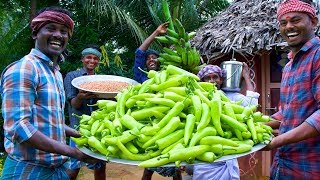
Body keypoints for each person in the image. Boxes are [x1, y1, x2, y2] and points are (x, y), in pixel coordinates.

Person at [0, 6, 99, 179]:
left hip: (56, 170)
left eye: (64, 31)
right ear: (35, 33)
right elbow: (18, 127)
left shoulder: (55, 73)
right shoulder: (25, 69)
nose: (58, 35)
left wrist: (81, 135)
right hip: (27, 171)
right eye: (51, 28)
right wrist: (75, 152)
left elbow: (52, 122)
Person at [262, 0, 320, 179]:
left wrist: (277, 141)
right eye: (283, 23)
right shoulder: (288, 66)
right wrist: (252, 127)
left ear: (313, 22)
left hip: (309, 167)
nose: (289, 27)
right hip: (283, 165)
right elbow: (285, 113)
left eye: (295, 20)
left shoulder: (317, 57)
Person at [190, 63, 260, 180]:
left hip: (227, 154)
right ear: (202, 81)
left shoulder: (231, 97)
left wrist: (246, 77)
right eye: (208, 78)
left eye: (215, 77)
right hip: (205, 156)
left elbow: (252, 105)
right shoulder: (197, 98)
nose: (212, 81)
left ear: (221, 80)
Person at [134, 22, 182, 180]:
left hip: (169, 120)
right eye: (148, 59)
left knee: (175, 164)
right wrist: (156, 32)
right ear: (145, 63)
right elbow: (140, 52)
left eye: (155, 58)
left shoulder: (168, 75)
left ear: (160, 61)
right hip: (149, 121)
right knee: (149, 164)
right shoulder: (141, 76)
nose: (151, 60)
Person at [64, 45, 106, 180]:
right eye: (88, 57)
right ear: (82, 59)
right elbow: (73, 105)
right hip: (78, 129)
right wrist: (80, 96)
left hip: (98, 128)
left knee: (100, 166)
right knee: (73, 167)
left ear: (98, 61)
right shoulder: (72, 76)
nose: (92, 61)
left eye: (95, 58)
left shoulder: (102, 81)